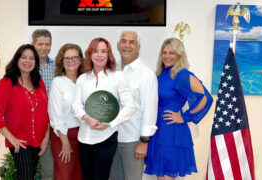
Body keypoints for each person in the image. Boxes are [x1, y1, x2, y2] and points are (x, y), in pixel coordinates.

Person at [144, 38, 213, 180]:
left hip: (171, 133)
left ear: (179, 55)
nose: (167, 56)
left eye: (172, 53)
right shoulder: (162, 74)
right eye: (164, 52)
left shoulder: (181, 74)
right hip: (158, 131)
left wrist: (184, 117)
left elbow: (205, 98)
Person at [72, 37, 136, 180]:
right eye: (95, 51)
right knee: (87, 177)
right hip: (84, 137)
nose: (99, 55)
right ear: (89, 55)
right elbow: (75, 105)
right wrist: (87, 118)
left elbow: (130, 106)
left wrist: (109, 124)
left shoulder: (118, 77)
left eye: (103, 51)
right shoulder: (82, 78)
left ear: (109, 55)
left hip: (106, 137)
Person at [0, 44, 49, 180]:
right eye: (24, 57)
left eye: (32, 58)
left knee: (27, 176)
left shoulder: (39, 83)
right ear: (17, 60)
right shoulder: (7, 83)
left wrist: (47, 135)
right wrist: (11, 138)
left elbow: (46, 113)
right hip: (20, 142)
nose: (28, 61)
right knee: (26, 177)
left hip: (39, 141)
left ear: (36, 62)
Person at [110, 31, 158, 180]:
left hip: (132, 140)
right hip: (110, 138)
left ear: (138, 47)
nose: (127, 45)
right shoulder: (111, 71)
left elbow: (149, 110)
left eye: (132, 42)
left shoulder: (146, 75)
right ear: (118, 46)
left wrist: (144, 141)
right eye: (123, 41)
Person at [48, 43, 84, 180]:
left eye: (74, 57)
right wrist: (65, 142)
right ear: (61, 62)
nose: (71, 61)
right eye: (67, 58)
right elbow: (55, 116)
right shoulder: (58, 83)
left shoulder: (85, 80)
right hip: (63, 135)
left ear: (80, 60)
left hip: (84, 135)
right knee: (65, 175)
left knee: (79, 175)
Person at [31, 29, 55, 180]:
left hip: (50, 124)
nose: (44, 48)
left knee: (49, 170)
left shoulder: (57, 67)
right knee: (27, 169)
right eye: (40, 44)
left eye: (47, 44)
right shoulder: (25, 66)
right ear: (32, 44)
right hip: (29, 124)